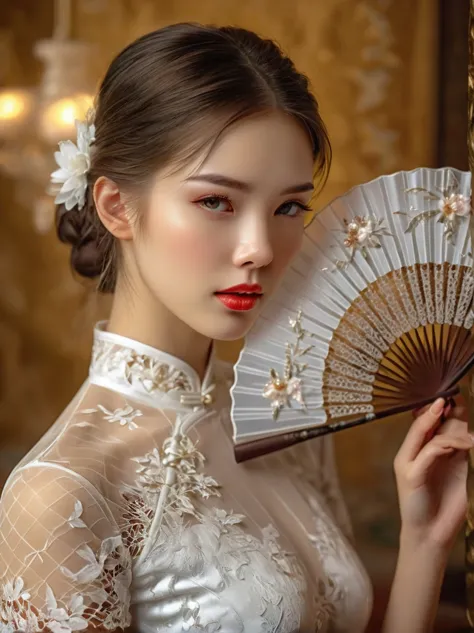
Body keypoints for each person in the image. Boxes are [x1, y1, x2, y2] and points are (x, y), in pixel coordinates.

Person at [0, 23, 470, 633]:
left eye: (288, 207)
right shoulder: (60, 495)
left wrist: (425, 541)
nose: (259, 249)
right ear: (117, 206)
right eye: (216, 202)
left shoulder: (284, 417)